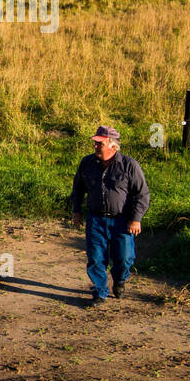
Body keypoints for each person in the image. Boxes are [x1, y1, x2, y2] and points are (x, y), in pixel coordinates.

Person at [70, 126, 150, 304]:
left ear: (113, 146)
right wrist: (76, 210)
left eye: (100, 143)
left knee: (124, 258)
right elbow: (78, 189)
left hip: (122, 220)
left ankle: (120, 280)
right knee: (96, 258)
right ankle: (100, 291)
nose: (95, 147)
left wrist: (136, 219)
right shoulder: (87, 163)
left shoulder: (129, 165)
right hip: (95, 219)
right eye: (95, 143)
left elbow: (142, 194)